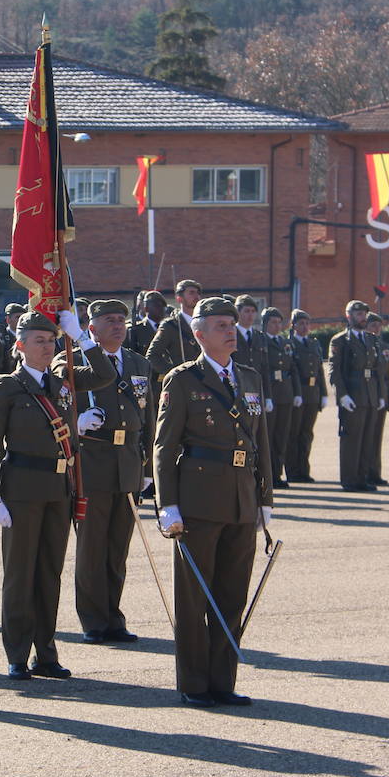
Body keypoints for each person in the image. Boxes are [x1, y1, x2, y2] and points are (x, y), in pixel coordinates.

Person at [154, 296, 272, 709]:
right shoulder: (183, 380)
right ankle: (194, 683)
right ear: (199, 334)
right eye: (220, 325)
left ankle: (223, 681)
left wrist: (265, 497)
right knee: (194, 598)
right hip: (198, 502)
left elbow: (261, 443)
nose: (230, 331)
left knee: (231, 595)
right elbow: (164, 447)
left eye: (232, 324)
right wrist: (167, 505)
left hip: (241, 499)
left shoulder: (251, 377)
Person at [0, 311, 79, 678]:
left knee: (49, 573)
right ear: (20, 345)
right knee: (20, 573)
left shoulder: (61, 385)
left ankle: (46, 651)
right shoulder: (6, 387)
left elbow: (103, 376)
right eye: (38, 341)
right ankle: (16, 653)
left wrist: (82, 337)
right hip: (21, 490)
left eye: (52, 340)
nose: (47, 346)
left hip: (58, 489)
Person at [54, 300, 150, 646]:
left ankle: (114, 616)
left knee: (117, 546)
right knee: (93, 547)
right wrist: (75, 423)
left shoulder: (138, 362)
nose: (118, 325)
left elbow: (149, 418)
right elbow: (55, 404)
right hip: (91, 461)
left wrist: (148, 468)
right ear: (90, 327)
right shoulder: (72, 360)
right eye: (109, 320)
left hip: (127, 462)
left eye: (121, 320)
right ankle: (94, 619)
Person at [329, 300, 381, 492]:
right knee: (352, 440)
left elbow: (377, 369)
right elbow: (335, 371)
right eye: (359, 314)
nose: (363, 318)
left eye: (364, 314)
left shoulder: (370, 339)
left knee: (367, 439)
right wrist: (342, 395)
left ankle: (362, 477)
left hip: (369, 396)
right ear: (349, 316)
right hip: (353, 395)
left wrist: (380, 395)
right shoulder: (340, 340)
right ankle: (350, 479)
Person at [287, 309, 328, 483]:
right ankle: (293, 471)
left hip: (312, 393)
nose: (304, 327)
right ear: (293, 325)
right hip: (299, 392)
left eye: (307, 323)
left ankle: (304, 470)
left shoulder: (313, 344)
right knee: (293, 433)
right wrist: (296, 393)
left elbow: (319, 370)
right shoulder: (289, 344)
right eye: (301, 323)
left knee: (306, 434)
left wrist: (323, 393)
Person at [260, 307, 300, 488]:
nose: (277, 326)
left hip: (285, 393)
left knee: (282, 436)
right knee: (267, 436)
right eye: (273, 322)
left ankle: (277, 473)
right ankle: (267, 475)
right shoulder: (260, 341)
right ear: (265, 324)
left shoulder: (285, 342)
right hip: (270, 393)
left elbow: (293, 369)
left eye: (279, 322)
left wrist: (297, 392)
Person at [146, 279, 202, 380]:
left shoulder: (205, 323)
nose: (196, 296)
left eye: (198, 293)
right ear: (179, 298)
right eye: (191, 293)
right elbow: (152, 356)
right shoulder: (170, 325)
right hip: (184, 383)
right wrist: (175, 374)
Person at [365, 313, 389, 486]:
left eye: (378, 325)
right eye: (372, 325)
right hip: (369, 396)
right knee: (367, 436)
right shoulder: (365, 346)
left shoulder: (384, 346)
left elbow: (387, 375)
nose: (376, 329)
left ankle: (375, 472)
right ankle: (365, 472)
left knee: (377, 437)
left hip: (382, 396)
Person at [126, 291, 167, 356]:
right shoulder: (136, 330)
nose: (161, 309)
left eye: (163, 307)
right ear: (146, 309)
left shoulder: (168, 328)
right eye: (157, 306)